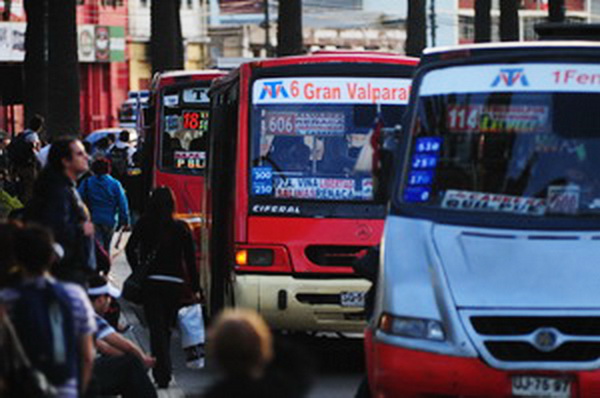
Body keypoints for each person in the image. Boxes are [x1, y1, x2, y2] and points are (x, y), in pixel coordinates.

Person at [1, 224, 96, 397]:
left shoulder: (7, 299)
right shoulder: (74, 295)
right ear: (52, 258)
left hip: (23, 389)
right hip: (64, 387)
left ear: (17, 258)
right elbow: (87, 356)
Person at [125, 186, 200, 388]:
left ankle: (162, 372)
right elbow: (190, 260)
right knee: (166, 327)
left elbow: (129, 247)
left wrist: (138, 268)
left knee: (156, 328)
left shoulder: (144, 224)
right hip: (174, 284)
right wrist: (195, 286)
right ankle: (164, 368)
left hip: (151, 283)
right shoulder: (181, 227)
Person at [26, 138, 96, 285]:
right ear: (65, 161)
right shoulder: (58, 192)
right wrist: (82, 229)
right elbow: (55, 229)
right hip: (65, 275)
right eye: (80, 154)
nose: (87, 157)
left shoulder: (64, 187)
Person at [204, 309, 312, 398]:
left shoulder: (215, 393)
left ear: (216, 354)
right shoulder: (281, 390)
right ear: (263, 352)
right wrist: (259, 338)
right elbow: (300, 360)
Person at [86, 275, 157, 398]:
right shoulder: (88, 317)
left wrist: (132, 360)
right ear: (100, 300)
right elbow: (123, 344)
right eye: (109, 299)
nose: (110, 303)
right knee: (132, 366)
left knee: (130, 367)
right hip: (78, 376)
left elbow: (104, 347)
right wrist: (142, 358)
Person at [78, 158, 131, 255]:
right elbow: (122, 203)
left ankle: (98, 265)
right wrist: (125, 220)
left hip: (93, 218)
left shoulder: (86, 183)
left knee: (97, 245)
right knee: (107, 245)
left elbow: (78, 200)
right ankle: (105, 264)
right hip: (110, 220)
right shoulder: (115, 184)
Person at [7, 115, 43, 202]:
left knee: (21, 186)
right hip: (29, 166)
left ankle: (20, 203)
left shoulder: (22, 134)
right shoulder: (33, 136)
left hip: (18, 166)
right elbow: (37, 152)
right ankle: (28, 207)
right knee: (30, 187)